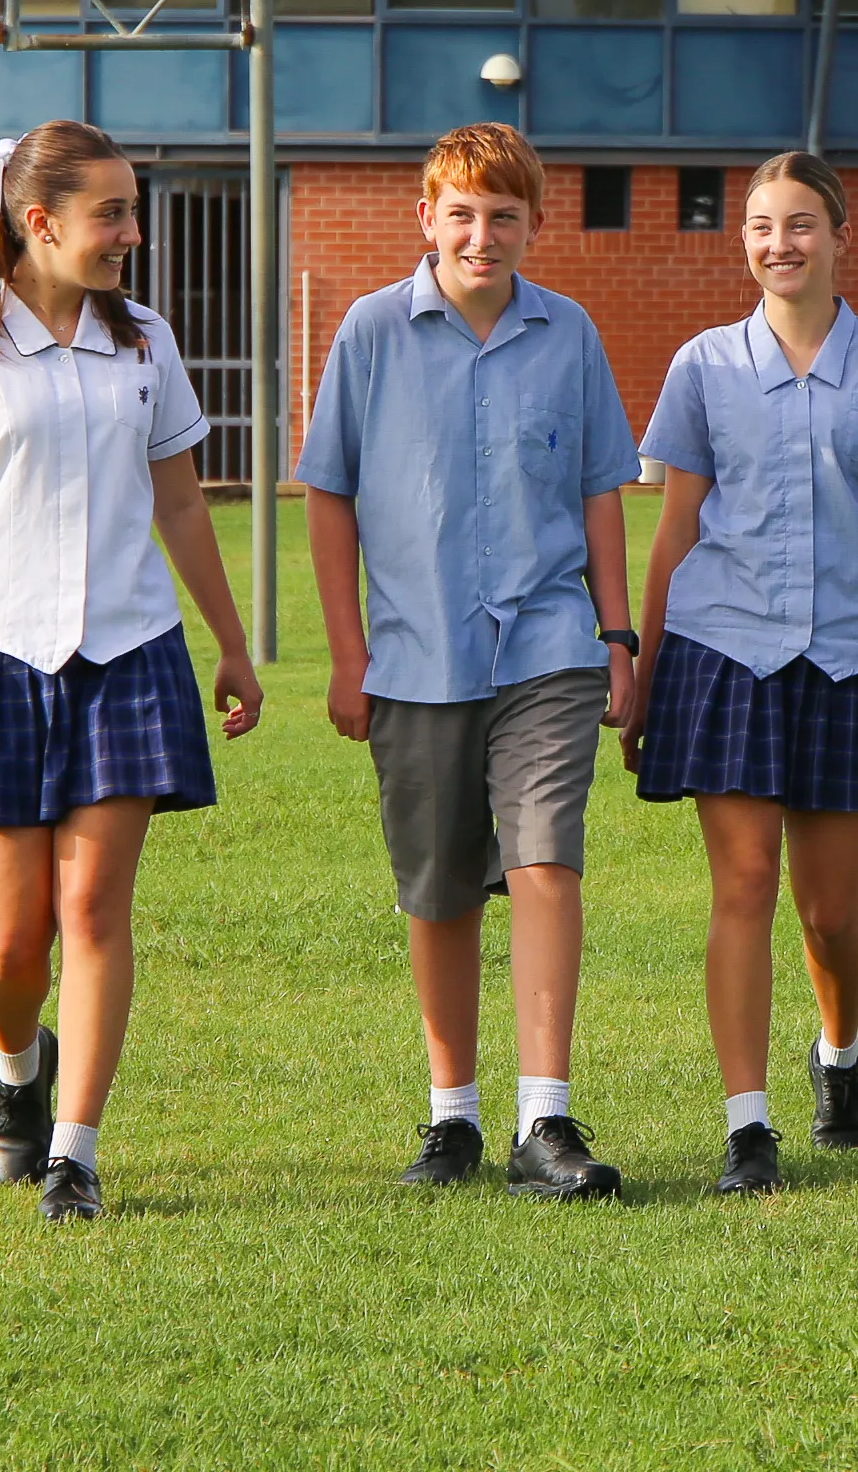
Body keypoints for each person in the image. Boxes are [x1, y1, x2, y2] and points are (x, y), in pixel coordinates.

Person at [0, 121, 262, 1224]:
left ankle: (75, 1155)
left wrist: (231, 644)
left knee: (94, 907)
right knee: (9, 943)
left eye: (131, 211)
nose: (130, 235)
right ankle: (19, 1074)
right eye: (112, 214)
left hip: (129, 655)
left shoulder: (145, 340)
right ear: (38, 222)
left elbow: (183, 503)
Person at [299, 123, 641, 1200]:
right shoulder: (367, 333)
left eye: (504, 216)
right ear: (426, 218)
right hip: (414, 656)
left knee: (544, 862)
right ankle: (452, 1116)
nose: (481, 234)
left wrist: (617, 634)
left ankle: (545, 1118)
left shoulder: (569, 333)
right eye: (462, 212)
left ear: (534, 225)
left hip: (546, 648)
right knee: (441, 890)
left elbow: (599, 492)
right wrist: (347, 651)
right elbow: (327, 496)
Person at [623, 153, 858, 1195]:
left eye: (800, 223)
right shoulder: (703, 366)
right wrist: (637, 663)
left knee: (827, 911)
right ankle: (746, 1126)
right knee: (743, 887)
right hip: (721, 653)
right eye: (761, 226)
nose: (779, 243)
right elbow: (674, 524)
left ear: (838, 235)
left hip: (846, 658)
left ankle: (837, 1054)